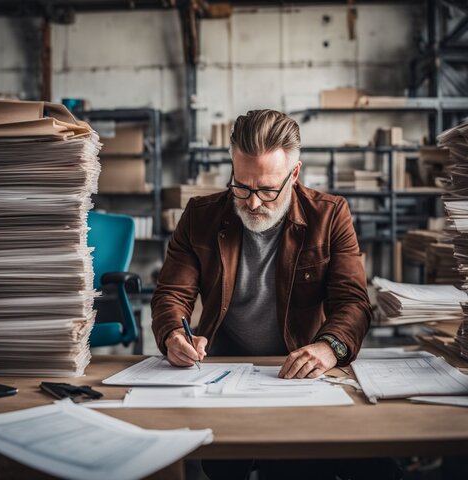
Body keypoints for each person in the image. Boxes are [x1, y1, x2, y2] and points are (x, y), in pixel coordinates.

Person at [151, 109, 389, 480]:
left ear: (294, 174)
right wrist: (172, 334)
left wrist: (329, 348)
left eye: (266, 189)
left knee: (299, 467)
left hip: (299, 373)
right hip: (223, 372)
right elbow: (171, 293)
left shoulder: (329, 215)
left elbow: (353, 302)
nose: (253, 202)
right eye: (242, 186)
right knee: (222, 465)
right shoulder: (200, 215)